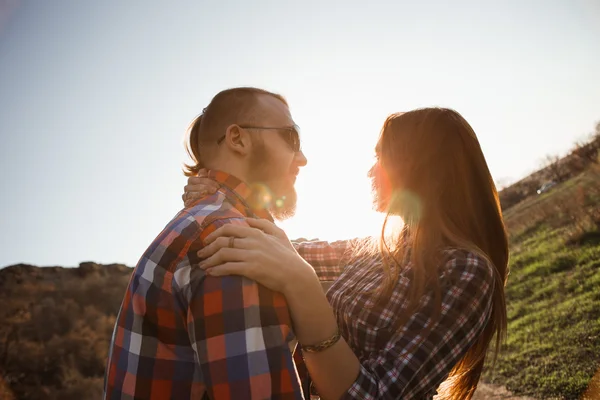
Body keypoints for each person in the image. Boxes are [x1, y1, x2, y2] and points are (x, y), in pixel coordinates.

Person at [183, 107, 509, 399]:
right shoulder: (377, 251)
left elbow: (379, 394)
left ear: (420, 165)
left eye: (380, 157)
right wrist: (225, 191)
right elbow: (281, 250)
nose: (370, 171)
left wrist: (304, 288)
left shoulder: (467, 271)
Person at [104, 87, 308, 399]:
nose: (302, 158)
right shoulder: (233, 243)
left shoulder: (208, 224)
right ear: (238, 139)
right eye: (291, 138)